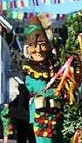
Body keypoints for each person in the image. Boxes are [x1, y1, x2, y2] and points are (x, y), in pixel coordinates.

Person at [22, 14, 63, 142]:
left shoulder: (54, 66)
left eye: (42, 44)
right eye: (34, 46)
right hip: (42, 117)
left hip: (58, 115)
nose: (38, 50)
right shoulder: (30, 71)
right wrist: (64, 92)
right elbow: (42, 90)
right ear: (28, 50)